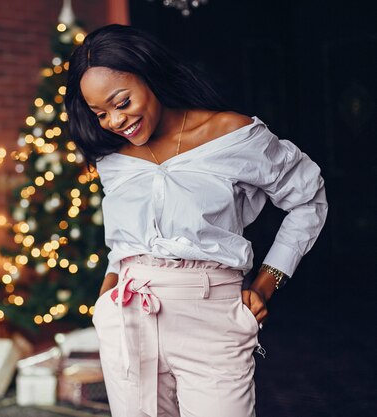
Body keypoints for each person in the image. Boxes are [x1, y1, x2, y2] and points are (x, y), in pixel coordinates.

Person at [64, 24, 328, 417]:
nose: (115, 121)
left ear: (149, 76)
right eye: (100, 113)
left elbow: (308, 199)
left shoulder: (233, 135)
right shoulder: (112, 159)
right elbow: (123, 245)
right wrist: (106, 300)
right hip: (127, 321)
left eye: (122, 102)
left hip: (212, 320)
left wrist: (267, 282)